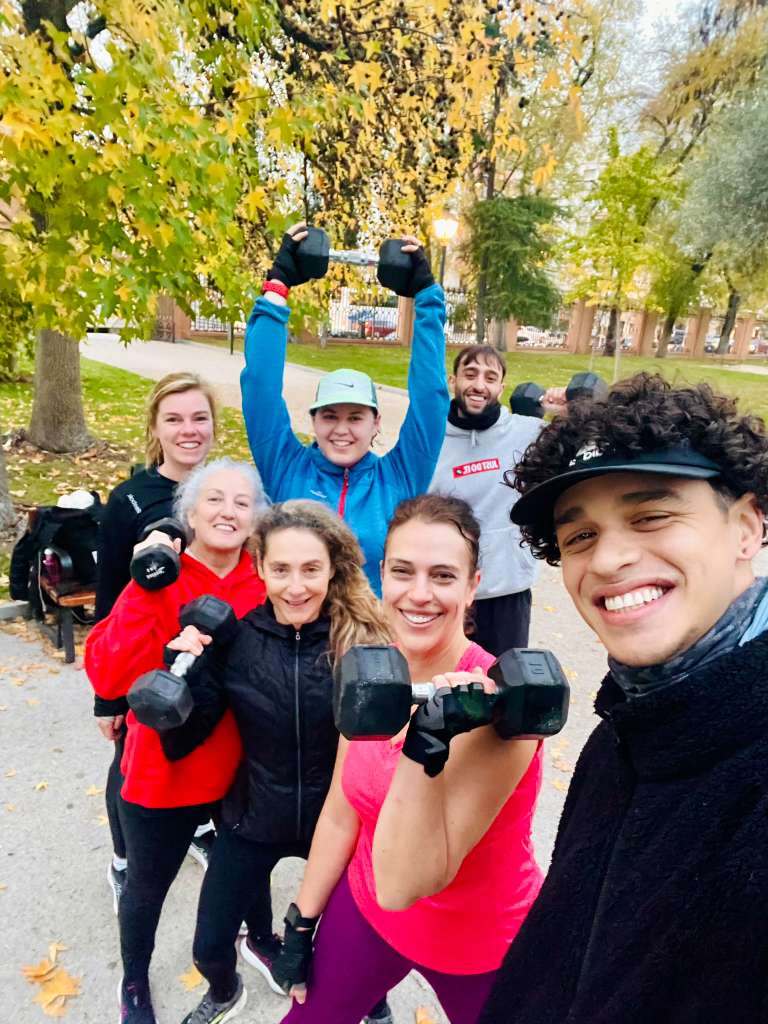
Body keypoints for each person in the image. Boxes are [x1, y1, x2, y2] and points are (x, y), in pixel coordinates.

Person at [478, 373, 768, 1024]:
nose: (607, 560)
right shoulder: (623, 731)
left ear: (748, 526)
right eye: (579, 536)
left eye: (651, 515)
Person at [272, 494, 545, 1024]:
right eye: (403, 571)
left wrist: (428, 739)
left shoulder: (504, 711)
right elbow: (341, 809)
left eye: (443, 576)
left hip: (478, 941)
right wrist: (301, 922)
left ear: (473, 586)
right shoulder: (376, 671)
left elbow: (408, 882)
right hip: (368, 912)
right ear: (382, 575)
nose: (419, 594)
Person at [155, 501, 391, 1024]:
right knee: (209, 947)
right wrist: (176, 677)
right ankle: (224, 991)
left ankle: (369, 1000)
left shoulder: (364, 644)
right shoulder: (233, 643)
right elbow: (182, 740)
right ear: (258, 566)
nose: (296, 586)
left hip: (342, 823)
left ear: (333, 568)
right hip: (253, 817)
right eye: (281, 569)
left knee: (360, 950)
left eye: (311, 569)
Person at [84, 460, 268, 1024]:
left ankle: (260, 939)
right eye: (213, 499)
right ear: (187, 514)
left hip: (241, 767)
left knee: (246, 871)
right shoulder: (160, 577)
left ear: (256, 518)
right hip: (164, 772)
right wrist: (144, 588)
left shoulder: (264, 581)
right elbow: (109, 675)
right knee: (146, 886)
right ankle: (134, 978)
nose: (227, 511)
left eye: (241, 502)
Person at [240, 222, 449, 595]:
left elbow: (431, 399)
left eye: (355, 417)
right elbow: (260, 387)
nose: (341, 429)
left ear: (375, 423)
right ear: (315, 421)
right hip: (294, 638)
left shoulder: (399, 478)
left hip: (371, 642)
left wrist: (427, 300)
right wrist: (276, 289)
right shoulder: (286, 466)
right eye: (330, 416)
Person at [93, 372, 218, 910]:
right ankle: (124, 860)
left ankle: (197, 825)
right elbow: (107, 599)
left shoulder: (228, 489)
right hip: (146, 657)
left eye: (199, 417)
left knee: (208, 741)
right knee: (130, 760)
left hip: (211, 648)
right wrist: (107, 695)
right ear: (156, 428)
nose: (188, 430)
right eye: (174, 419)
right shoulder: (129, 499)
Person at [429, 345, 564, 654]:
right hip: (448, 591)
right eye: (470, 374)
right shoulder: (431, 440)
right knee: (442, 690)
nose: (479, 385)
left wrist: (566, 408)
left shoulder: (528, 433)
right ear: (453, 381)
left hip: (507, 594)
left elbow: (586, 437)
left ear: (501, 388)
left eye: (490, 377)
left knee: (504, 689)